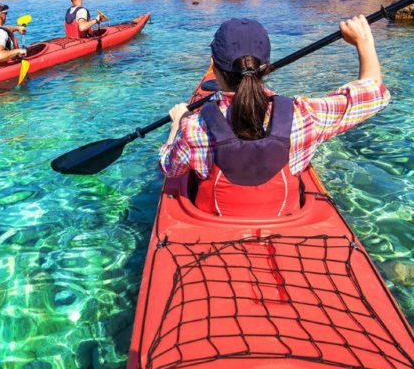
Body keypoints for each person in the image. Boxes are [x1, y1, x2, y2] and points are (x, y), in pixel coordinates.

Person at [159, 16, 390, 218]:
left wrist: (177, 124)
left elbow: (170, 168)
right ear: (266, 67)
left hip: (213, 223)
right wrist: (364, 42)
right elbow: (374, 94)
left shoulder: (193, 128)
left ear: (215, 68)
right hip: (284, 222)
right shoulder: (304, 116)